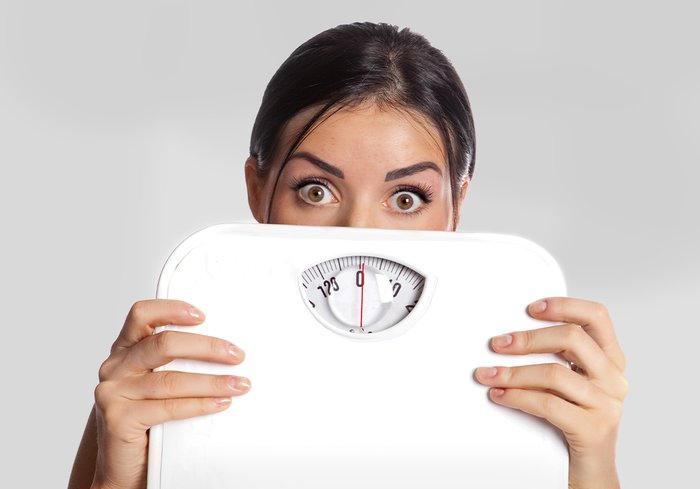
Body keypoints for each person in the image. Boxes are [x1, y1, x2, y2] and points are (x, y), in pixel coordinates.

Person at [69, 22, 628, 489]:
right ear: (256, 188)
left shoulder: (528, 376)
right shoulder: (168, 373)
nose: (360, 233)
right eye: (316, 190)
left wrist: (593, 460)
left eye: (406, 198)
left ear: (455, 206)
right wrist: (119, 479)